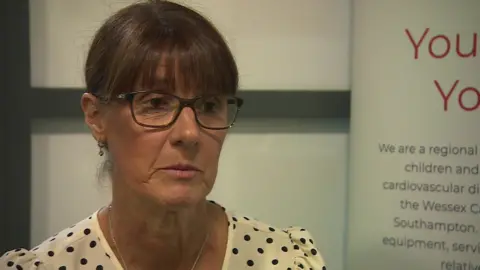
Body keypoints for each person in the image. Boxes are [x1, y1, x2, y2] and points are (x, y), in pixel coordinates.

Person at [1, 1, 326, 269]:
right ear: (96, 116)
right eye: (155, 102)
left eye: (210, 104)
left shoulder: (286, 260)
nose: (189, 132)